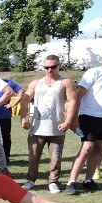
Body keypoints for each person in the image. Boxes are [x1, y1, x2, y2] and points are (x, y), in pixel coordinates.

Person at [19, 55, 77, 193]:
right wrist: (23, 119)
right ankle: (31, 180)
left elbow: (73, 102)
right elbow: (25, 99)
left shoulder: (66, 82)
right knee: (33, 157)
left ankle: (53, 182)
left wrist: (67, 122)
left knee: (55, 159)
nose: (49, 70)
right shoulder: (36, 83)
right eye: (46, 67)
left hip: (57, 128)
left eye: (53, 67)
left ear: (59, 66)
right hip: (37, 129)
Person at [64, 48, 102, 195]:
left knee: (99, 148)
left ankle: (88, 180)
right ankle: (71, 182)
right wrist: (74, 118)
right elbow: (78, 95)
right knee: (87, 148)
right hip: (88, 116)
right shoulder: (93, 72)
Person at [0, 67, 24, 163]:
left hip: (5, 116)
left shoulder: (8, 83)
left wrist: (13, 104)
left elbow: (21, 92)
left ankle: (6, 157)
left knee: (6, 136)